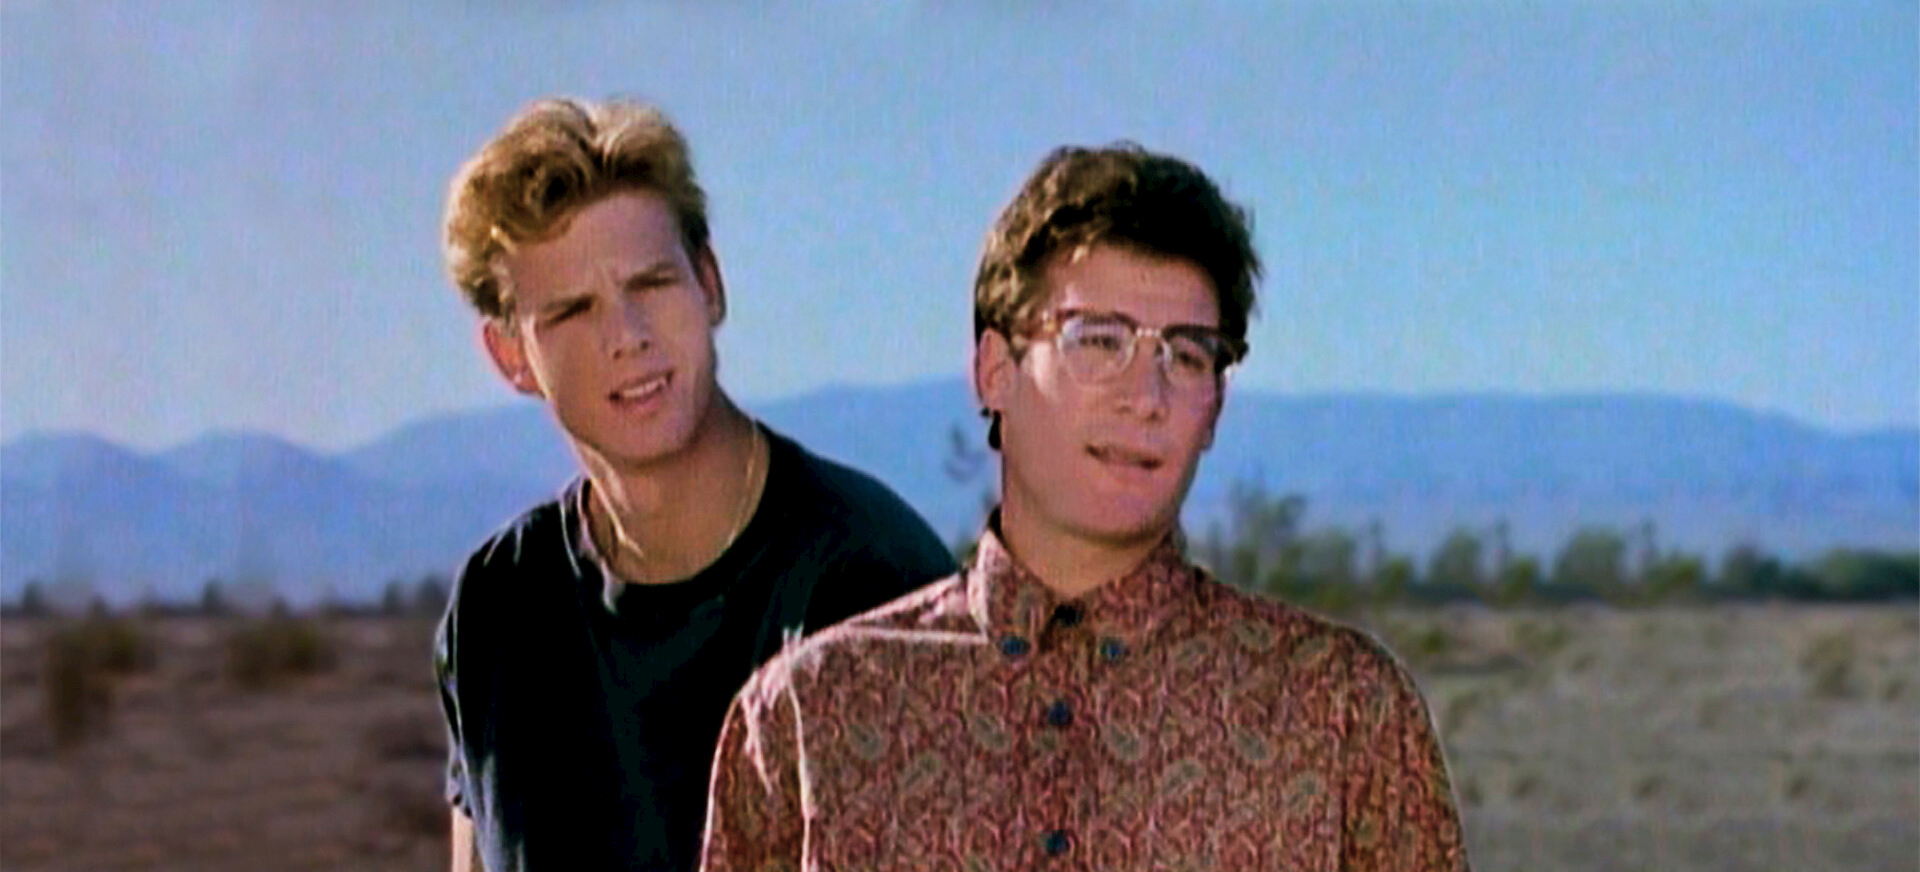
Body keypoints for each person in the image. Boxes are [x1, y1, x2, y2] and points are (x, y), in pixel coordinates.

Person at [702, 143, 1471, 869]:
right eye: (1099, 341)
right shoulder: (810, 719)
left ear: (1214, 408)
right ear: (995, 371)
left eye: (1187, 355)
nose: (1146, 395)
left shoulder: (1343, 715)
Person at [432, 97, 955, 872]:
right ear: (511, 356)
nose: (628, 336)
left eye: (652, 283)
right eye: (573, 311)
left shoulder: (870, 588)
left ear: (709, 285)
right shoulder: (496, 609)